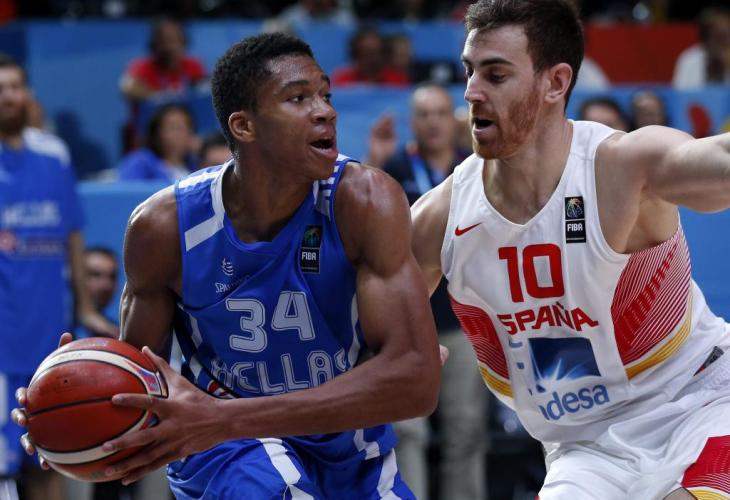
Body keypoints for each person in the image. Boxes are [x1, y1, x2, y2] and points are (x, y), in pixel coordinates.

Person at [14, 32, 441, 499]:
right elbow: (136, 382)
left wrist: (224, 416)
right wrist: (71, 402)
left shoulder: (364, 200)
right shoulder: (164, 228)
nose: (325, 111)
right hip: (224, 452)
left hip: (345, 448)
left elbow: (417, 382)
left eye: (326, 94)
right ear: (244, 126)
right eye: (298, 98)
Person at [410, 1, 730, 498]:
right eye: (469, 71)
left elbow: (716, 160)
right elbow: (357, 322)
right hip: (583, 446)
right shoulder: (440, 217)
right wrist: (397, 348)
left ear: (555, 83)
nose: (471, 91)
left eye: (495, 75)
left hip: (699, 401)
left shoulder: (623, 166)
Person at [0, 53, 116, 500]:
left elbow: (73, 236)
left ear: (27, 94)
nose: (8, 96)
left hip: (49, 339)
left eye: (15, 87)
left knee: (49, 459)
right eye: (0, 89)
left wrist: (85, 307)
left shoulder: (53, 154)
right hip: (3, 341)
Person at [368, 82, 488, 500]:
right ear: (412, 122)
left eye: (440, 113)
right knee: (406, 431)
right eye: (424, 114)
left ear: (454, 121)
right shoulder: (395, 166)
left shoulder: (475, 166)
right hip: (407, 320)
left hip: (464, 319)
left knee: (466, 427)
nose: (433, 122)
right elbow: (367, 229)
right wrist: (375, 164)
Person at [119, 18, 206, 150]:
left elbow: (205, 90)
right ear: (155, 45)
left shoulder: (193, 66)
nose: (169, 46)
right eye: (164, 41)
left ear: (183, 42)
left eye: (174, 40)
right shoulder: (143, 66)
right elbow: (127, 87)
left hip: (185, 141)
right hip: (149, 142)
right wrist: (160, 97)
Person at [116, 103, 197, 183]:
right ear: (157, 133)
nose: (178, 134)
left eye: (184, 128)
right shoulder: (141, 162)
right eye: (173, 128)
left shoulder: (195, 167)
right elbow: (126, 189)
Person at [672, 5, 730, 89]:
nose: (723, 42)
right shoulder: (689, 59)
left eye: (726, 36)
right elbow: (679, 93)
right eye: (718, 36)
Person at [332, 26, 409, 87]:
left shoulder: (396, 80)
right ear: (356, 54)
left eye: (375, 52)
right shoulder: (343, 80)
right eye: (366, 53)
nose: (372, 59)